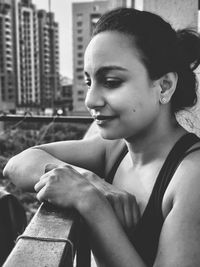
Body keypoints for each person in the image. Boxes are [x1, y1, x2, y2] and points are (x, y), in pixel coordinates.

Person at [3, 7, 200, 267]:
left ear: (164, 86)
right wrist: (87, 181)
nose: (90, 100)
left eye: (111, 81)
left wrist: (92, 205)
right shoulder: (115, 150)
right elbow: (17, 164)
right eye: (88, 82)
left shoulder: (191, 179)